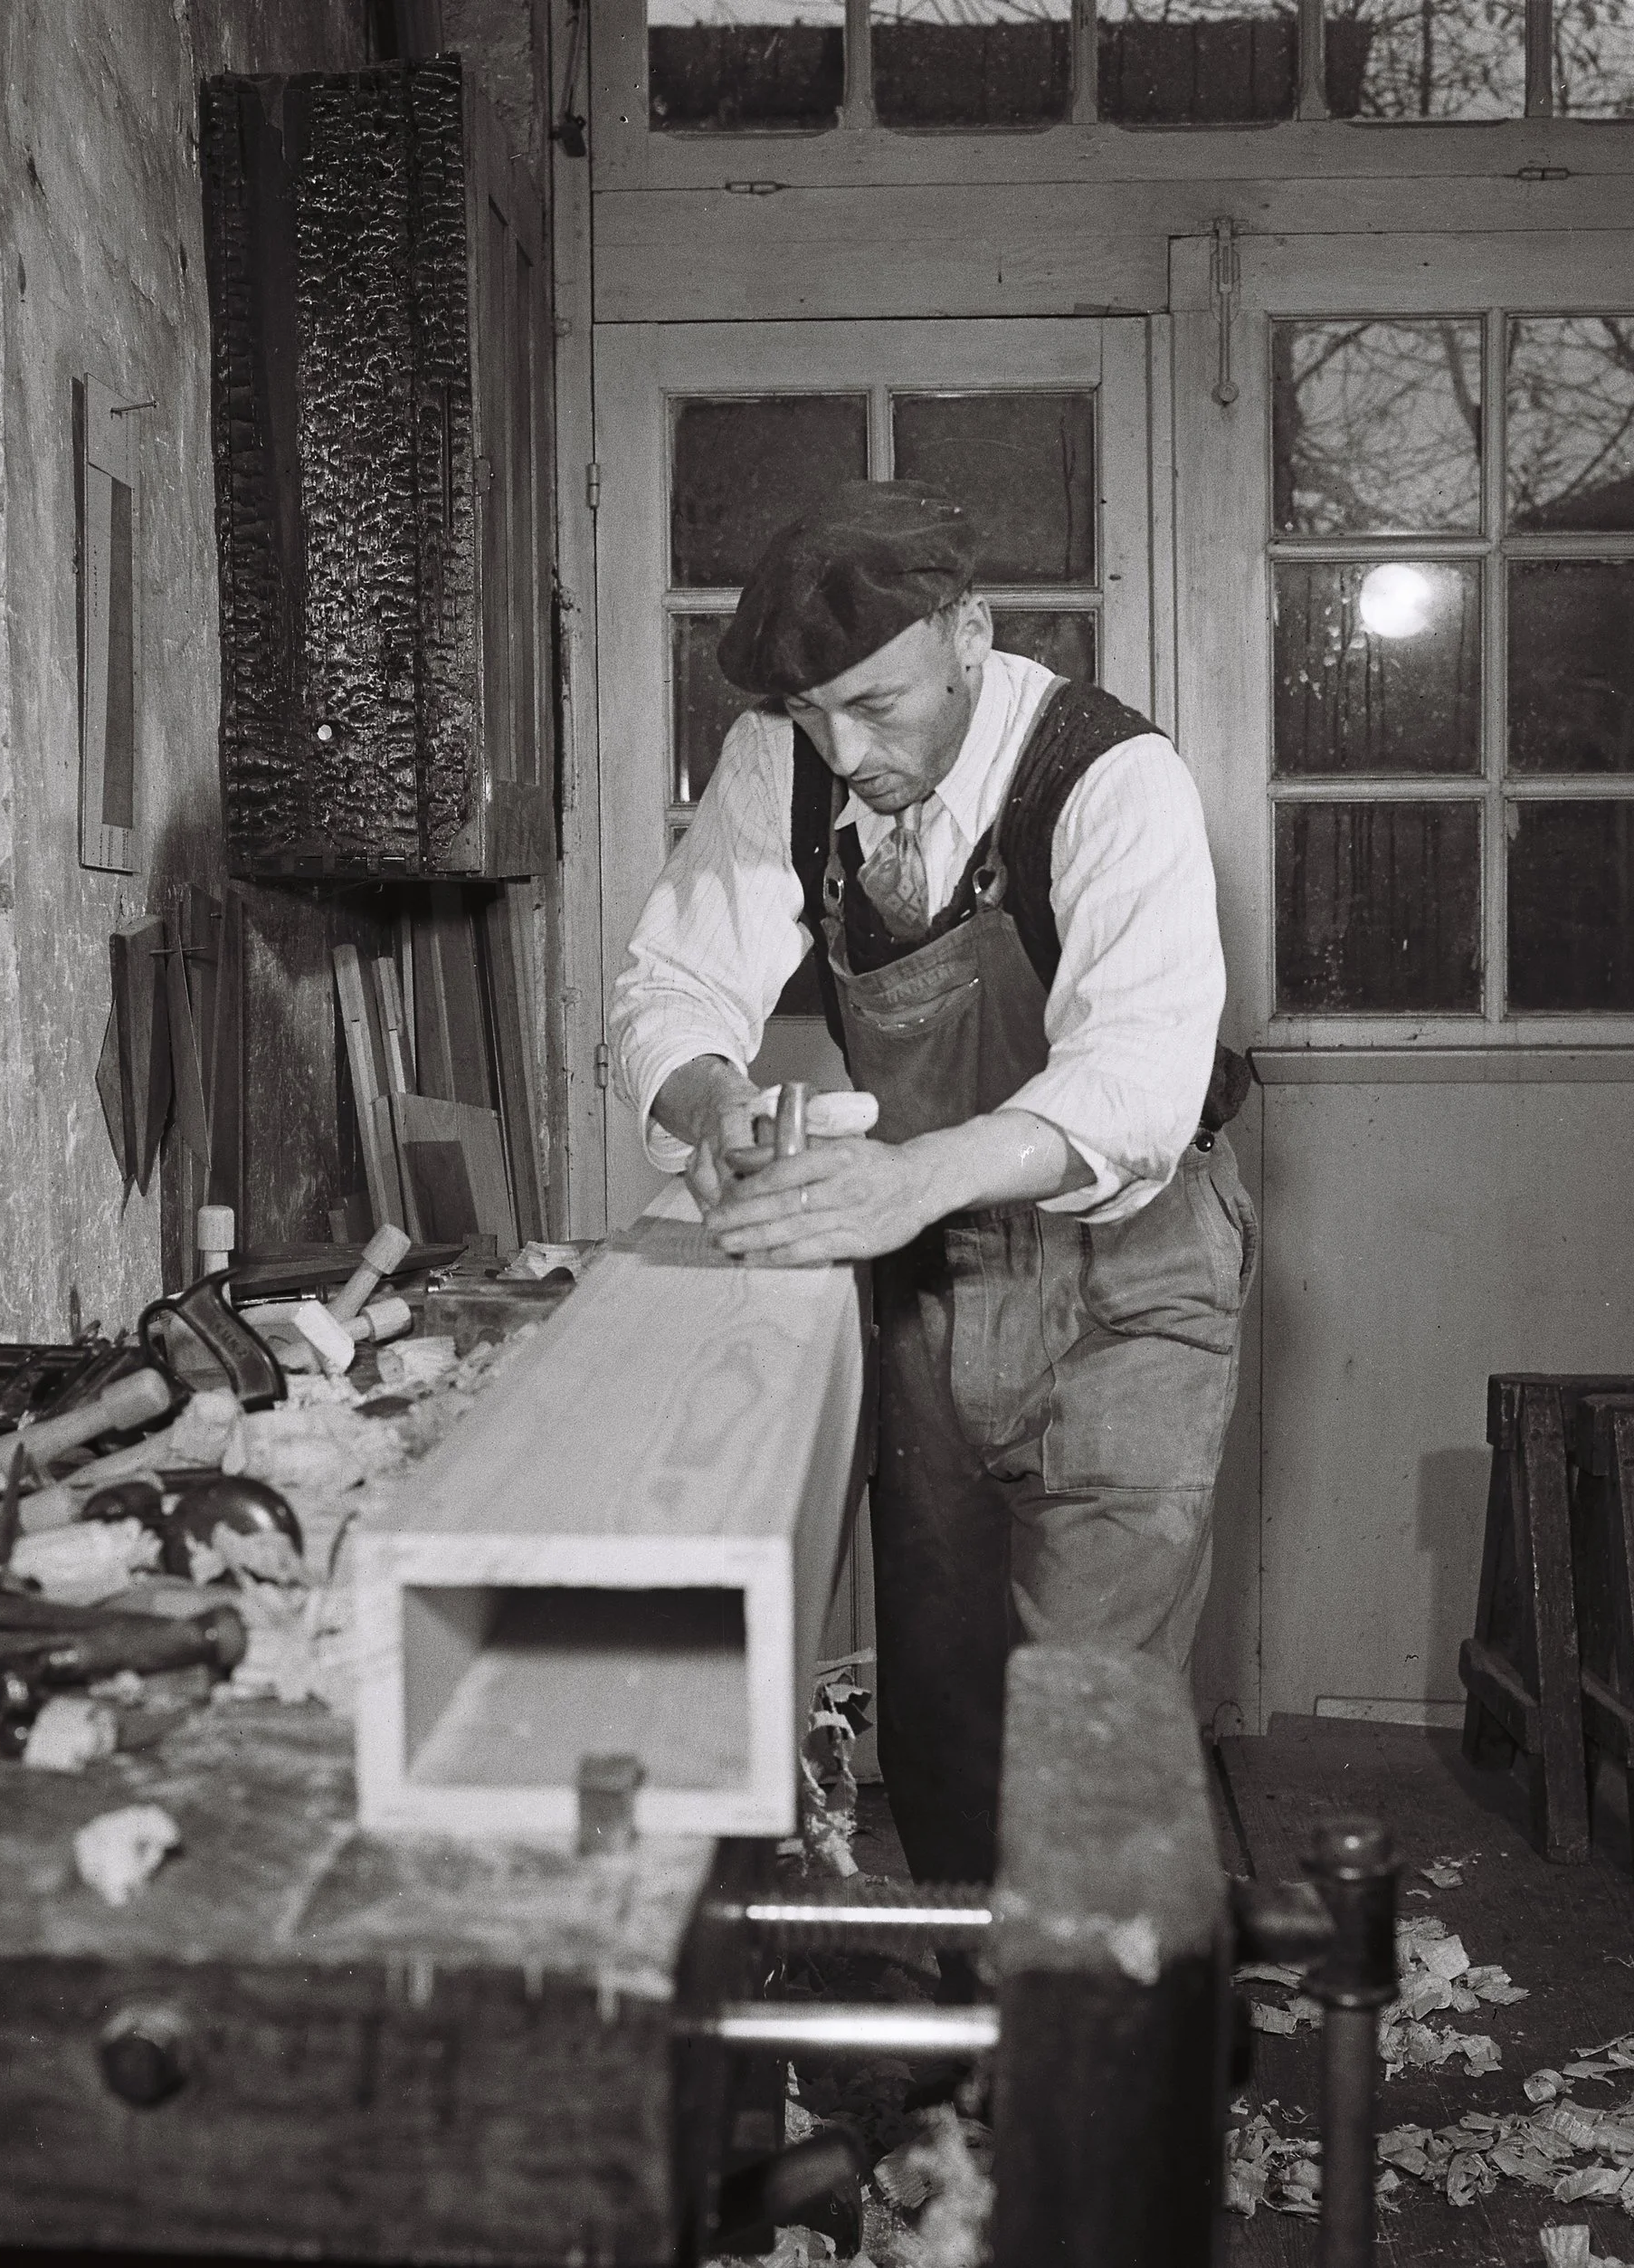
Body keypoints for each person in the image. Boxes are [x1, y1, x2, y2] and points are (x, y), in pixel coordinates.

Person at [609, 479, 1256, 1907]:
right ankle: (990, 2038)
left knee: (1087, 1707)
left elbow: (1140, 1086)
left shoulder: (1107, 775)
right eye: (817, 714)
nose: (852, 751)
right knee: (947, 1703)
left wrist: (904, 1177)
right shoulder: (784, 758)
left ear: (971, 632)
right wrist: (713, 1102)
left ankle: (1121, 2073)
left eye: (880, 705)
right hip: (927, 1284)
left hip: (1125, 1280)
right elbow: (665, 990)